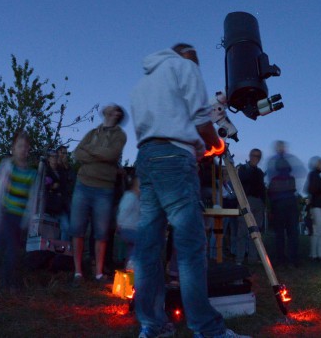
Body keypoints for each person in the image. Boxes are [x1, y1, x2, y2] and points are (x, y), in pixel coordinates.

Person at [130, 43, 247, 338]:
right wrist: (216, 145)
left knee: (148, 246)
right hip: (174, 158)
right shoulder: (185, 67)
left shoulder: (143, 83)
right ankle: (207, 330)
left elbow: (165, 122)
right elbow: (199, 119)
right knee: (190, 246)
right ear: (189, 56)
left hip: (146, 158)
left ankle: (152, 325)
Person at [70, 104, 127, 285]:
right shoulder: (93, 133)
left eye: (113, 107)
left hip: (104, 188)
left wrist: (90, 152)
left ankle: (99, 273)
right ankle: (78, 272)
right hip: (83, 185)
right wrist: (97, 154)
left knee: (101, 233)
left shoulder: (120, 135)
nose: (107, 108)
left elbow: (111, 154)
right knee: (77, 229)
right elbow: (77, 153)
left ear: (116, 114)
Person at [0, 131, 40, 290]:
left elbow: (33, 198)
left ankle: (6, 278)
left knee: (11, 247)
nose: (23, 149)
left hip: (19, 216)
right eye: (19, 146)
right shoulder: (7, 166)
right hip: (5, 213)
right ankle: (1, 279)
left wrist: (29, 219)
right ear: (13, 148)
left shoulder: (32, 173)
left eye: (25, 146)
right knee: (3, 246)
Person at [266, 140, 304, 268]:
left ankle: (285, 259)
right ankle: (287, 259)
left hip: (282, 202)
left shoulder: (278, 170)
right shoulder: (279, 167)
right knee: (288, 232)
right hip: (284, 202)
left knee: (284, 233)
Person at [236, 148, 266, 265]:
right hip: (246, 200)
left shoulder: (259, 172)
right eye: (254, 155)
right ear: (250, 155)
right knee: (242, 230)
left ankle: (253, 258)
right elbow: (242, 181)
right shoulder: (243, 168)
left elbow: (262, 188)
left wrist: (263, 203)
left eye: (258, 156)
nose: (256, 158)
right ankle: (239, 259)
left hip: (258, 202)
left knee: (256, 231)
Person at [306, 156, 321, 261]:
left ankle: (318, 254)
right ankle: (315, 255)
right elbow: (313, 189)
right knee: (318, 231)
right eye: (319, 163)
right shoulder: (313, 175)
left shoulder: (317, 176)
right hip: (317, 206)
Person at [117, 167, 140, 272]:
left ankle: (128, 267)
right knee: (140, 241)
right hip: (127, 228)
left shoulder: (137, 199)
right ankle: (132, 263)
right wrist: (119, 223)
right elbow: (123, 210)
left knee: (132, 248)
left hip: (133, 228)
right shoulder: (130, 196)